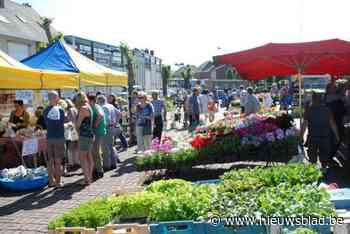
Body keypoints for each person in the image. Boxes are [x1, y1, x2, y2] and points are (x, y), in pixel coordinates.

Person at [300, 92, 340, 168]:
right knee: (324, 160)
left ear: (313, 99)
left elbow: (304, 125)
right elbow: (333, 124)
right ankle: (323, 173)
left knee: (312, 160)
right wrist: (337, 136)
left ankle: (313, 174)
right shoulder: (327, 110)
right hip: (325, 138)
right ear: (321, 99)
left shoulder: (309, 110)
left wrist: (301, 136)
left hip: (313, 137)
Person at [43, 91, 65, 188]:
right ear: (56, 98)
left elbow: (47, 123)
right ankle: (58, 182)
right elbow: (62, 123)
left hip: (49, 137)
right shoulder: (60, 110)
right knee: (58, 160)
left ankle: (51, 181)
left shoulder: (45, 110)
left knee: (50, 160)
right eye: (58, 97)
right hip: (59, 137)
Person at [75, 92, 94, 186]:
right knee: (89, 157)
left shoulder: (82, 108)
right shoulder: (89, 106)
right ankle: (89, 178)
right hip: (90, 134)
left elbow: (78, 124)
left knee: (82, 158)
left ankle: (87, 179)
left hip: (84, 135)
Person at [97, 95, 120, 171]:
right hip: (112, 128)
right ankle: (114, 163)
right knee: (111, 146)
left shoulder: (103, 107)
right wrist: (116, 122)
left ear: (99, 101)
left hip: (106, 128)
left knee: (105, 148)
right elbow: (119, 113)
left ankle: (107, 165)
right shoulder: (110, 105)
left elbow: (106, 119)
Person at [88, 93, 107, 179]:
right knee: (94, 151)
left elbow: (100, 115)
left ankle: (99, 170)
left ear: (91, 101)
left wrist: (95, 124)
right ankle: (96, 169)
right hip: (96, 132)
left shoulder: (96, 107)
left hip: (98, 131)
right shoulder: (94, 106)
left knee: (96, 151)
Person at [65, 99, 79, 169]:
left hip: (71, 130)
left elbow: (69, 120)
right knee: (76, 146)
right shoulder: (75, 109)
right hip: (76, 129)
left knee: (70, 147)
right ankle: (77, 161)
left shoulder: (69, 111)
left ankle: (71, 162)